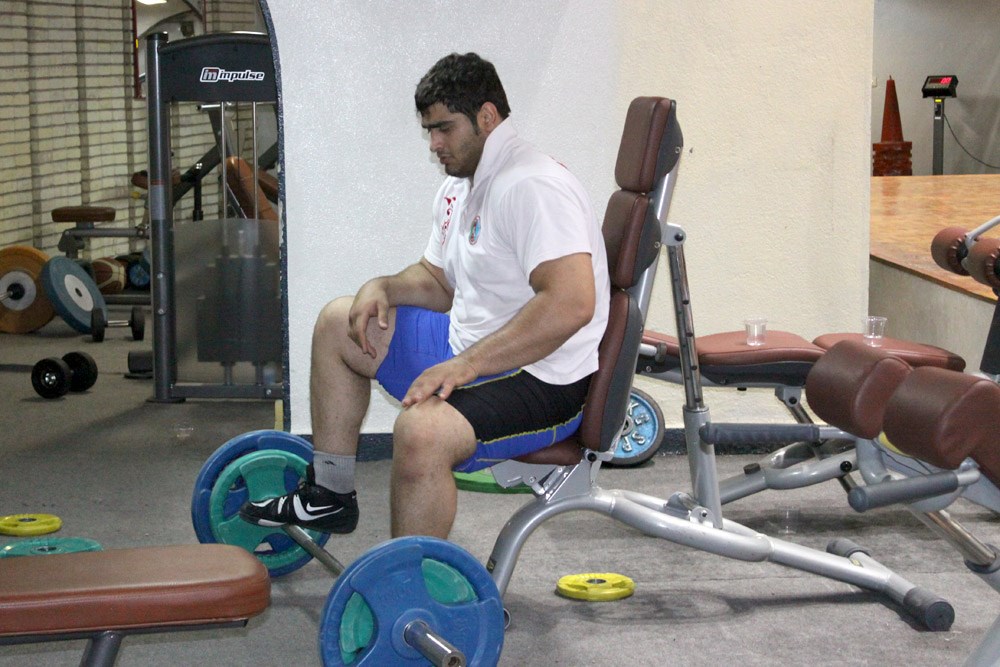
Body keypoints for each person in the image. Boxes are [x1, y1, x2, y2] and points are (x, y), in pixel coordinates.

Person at [240, 52, 610, 539]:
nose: (434, 144)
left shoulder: (533, 185)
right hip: (472, 347)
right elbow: (438, 281)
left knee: (420, 432)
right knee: (339, 323)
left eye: (444, 129)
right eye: (429, 130)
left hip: (544, 378)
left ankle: (413, 575)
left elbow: (571, 303)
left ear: (487, 117)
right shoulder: (463, 186)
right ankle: (328, 496)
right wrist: (383, 287)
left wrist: (465, 366)